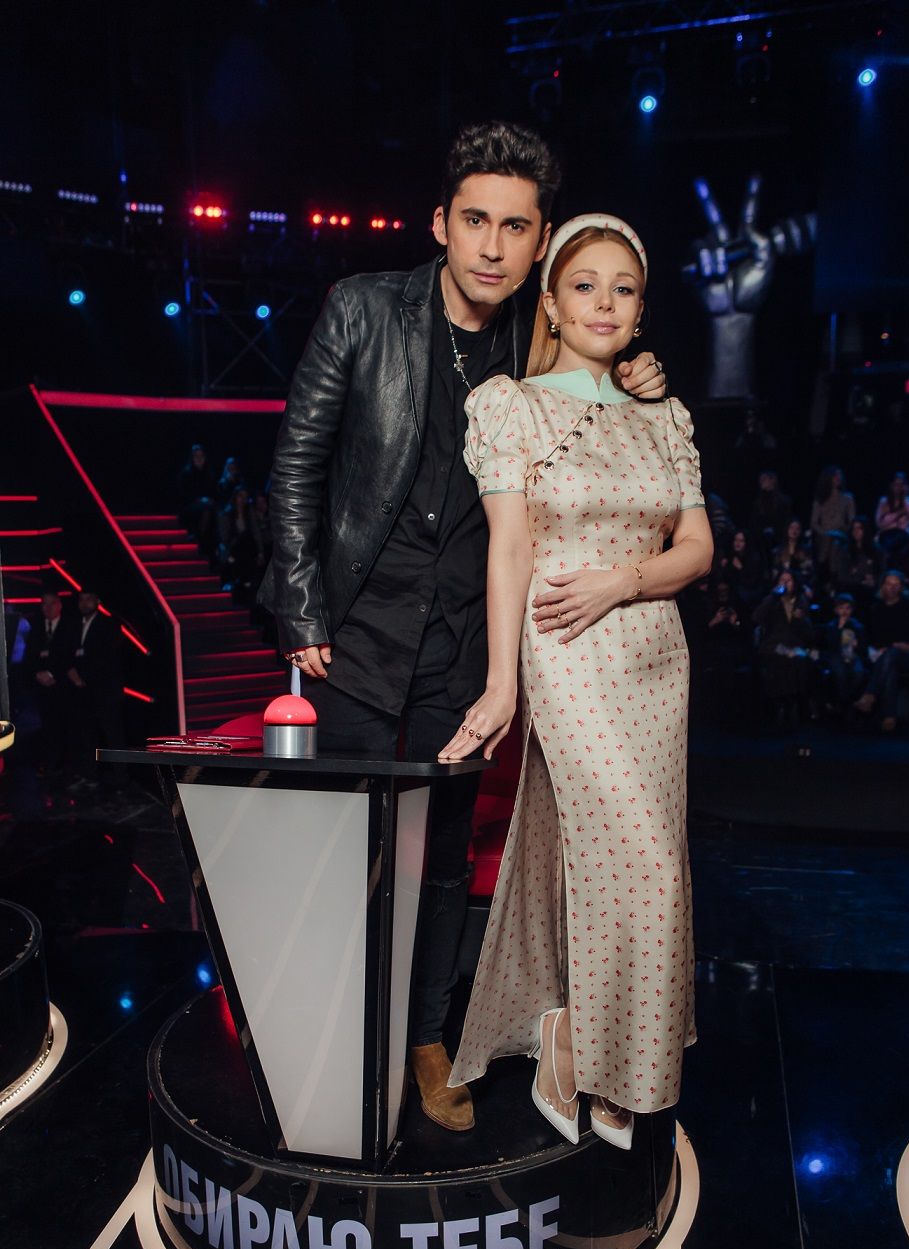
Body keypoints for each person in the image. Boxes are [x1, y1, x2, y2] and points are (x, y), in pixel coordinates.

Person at [258, 123, 668, 1133]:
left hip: (468, 647)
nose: (492, 245)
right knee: (341, 851)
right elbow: (297, 463)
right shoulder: (364, 309)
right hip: (354, 635)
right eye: (475, 220)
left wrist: (634, 379)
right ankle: (328, 1035)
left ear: (540, 242)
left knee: (443, 858)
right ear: (441, 223)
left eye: (515, 227)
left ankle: (427, 1037)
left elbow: (603, 396)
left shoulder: (543, 339)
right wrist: (302, 605)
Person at [440, 213, 713, 1150]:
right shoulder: (510, 405)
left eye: (623, 289)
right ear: (551, 303)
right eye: (585, 286)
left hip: (653, 654)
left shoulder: (665, 415)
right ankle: (600, 1058)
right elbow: (509, 549)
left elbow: (697, 549)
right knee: (643, 860)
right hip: (563, 647)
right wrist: (502, 684)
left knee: (620, 858)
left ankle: (577, 1036)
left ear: (640, 311)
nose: (605, 303)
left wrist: (624, 581)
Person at [67, 588, 124, 787]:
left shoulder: (109, 624)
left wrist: (81, 675)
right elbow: (69, 652)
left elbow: (106, 657)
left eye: (88, 599)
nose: (84, 603)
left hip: (105, 689)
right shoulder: (75, 624)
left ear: (97, 601)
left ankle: (121, 780)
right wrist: (72, 671)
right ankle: (89, 775)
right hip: (83, 692)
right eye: (81, 599)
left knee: (113, 735)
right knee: (87, 734)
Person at [854, 570, 909, 732]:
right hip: (887, 654)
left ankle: (869, 695)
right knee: (891, 666)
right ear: (882, 585)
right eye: (889, 583)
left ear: (901, 587)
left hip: (907, 655)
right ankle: (889, 717)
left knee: (892, 654)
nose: (892, 587)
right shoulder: (876, 607)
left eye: (896, 584)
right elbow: (876, 636)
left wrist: (895, 643)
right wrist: (893, 643)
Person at [23, 589, 76, 780]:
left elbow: (69, 655)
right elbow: (29, 656)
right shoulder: (37, 627)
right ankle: (49, 763)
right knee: (45, 725)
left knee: (64, 725)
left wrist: (52, 673)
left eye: (51, 603)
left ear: (59, 605)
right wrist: (37, 673)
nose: (47, 607)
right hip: (41, 687)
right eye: (44, 603)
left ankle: (64, 764)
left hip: (62, 686)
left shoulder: (69, 626)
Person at [753, 568, 816, 727]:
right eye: (783, 580)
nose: (786, 583)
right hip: (773, 645)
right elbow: (757, 617)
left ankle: (792, 704)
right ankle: (781, 703)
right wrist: (773, 596)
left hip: (794, 645)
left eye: (789, 580)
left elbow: (809, 633)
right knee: (780, 662)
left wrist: (801, 619)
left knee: (798, 661)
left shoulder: (801, 602)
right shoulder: (772, 601)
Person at [820, 592, 865, 713]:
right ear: (836, 610)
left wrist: (857, 644)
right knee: (840, 673)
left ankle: (847, 702)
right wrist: (839, 628)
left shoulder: (857, 626)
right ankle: (842, 705)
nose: (844, 611)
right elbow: (830, 646)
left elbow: (863, 647)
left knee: (858, 673)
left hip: (853, 655)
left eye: (847, 608)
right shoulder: (831, 626)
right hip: (835, 655)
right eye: (841, 608)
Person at [810, 466, 855, 584]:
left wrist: (843, 531)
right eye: (835, 476)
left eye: (839, 476)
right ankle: (829, 576)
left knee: (835, 542)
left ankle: (825, 572)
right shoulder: (820, 498)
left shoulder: (848, 498)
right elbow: (814, 522)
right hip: (823, 535)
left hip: (841, 534)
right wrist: (824, 533)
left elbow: (852, 520)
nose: (838, 478)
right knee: (831, 542)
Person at [874, 472, 909, 564]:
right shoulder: (884, 501)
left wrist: (904, 499)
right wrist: (899, 512)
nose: (899, 487)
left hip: (904, 536)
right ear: (891, 486)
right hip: (887, 535)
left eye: (901, 484)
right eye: (896, 484)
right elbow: (879, 523)